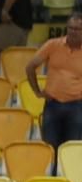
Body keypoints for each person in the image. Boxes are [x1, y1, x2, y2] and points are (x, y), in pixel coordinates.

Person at [25, 11, 82, 153]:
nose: (73, 32)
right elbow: (30, 67)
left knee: (70, 151)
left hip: (76, 106)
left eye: (77, 29)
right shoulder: (52, 45)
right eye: (70, 28)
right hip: (52, 105)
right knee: (49, 150)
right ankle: (50, 175)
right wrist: (37, 92)